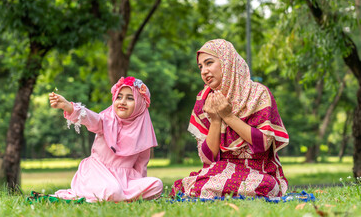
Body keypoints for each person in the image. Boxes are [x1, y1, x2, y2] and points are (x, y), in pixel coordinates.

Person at [170, 39, 289, 199]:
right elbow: (208, 157)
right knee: (189, 185)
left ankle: (217, 191)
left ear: (227, 62)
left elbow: (263, 144)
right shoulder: (204, 100)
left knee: (265, 185)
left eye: (209, 63)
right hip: (219, 169)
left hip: (258, 171)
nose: (204, 71)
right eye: (201, 67)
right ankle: (220, 189)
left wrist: (228, 116)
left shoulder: (258, 93)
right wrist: (215, 121)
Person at [48, 76, 163, 202]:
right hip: (97, 173)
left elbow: (141, 166)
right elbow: (90, 118)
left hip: (126, 180)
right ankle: (116, 196)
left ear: (140, 104)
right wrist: (69, 107)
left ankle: (120, 197)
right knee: (113, 191)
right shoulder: (106, 120)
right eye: (119, 97)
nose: (122, 102)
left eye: (130, 98)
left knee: (157, 184)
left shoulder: (142, 130)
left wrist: (140, 187)